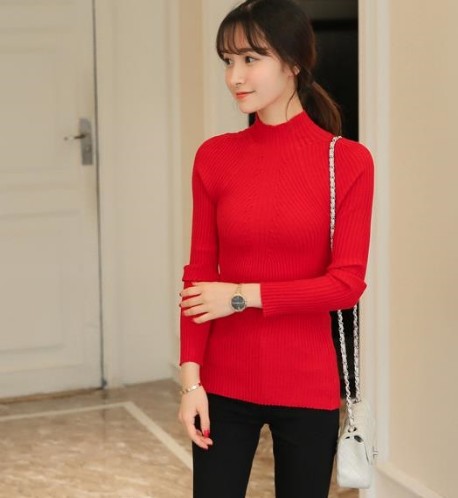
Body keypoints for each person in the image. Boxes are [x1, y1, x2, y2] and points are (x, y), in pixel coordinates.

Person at [178, 0, 374, 496]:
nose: (235, 77)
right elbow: (198, 275)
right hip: (221, 385)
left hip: (307, 386)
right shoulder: (214, 157)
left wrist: (241, 296)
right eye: (228, 60)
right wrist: (190, 382)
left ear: (294, 62)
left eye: (251, 59)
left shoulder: (348, 162)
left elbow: (346, 285)